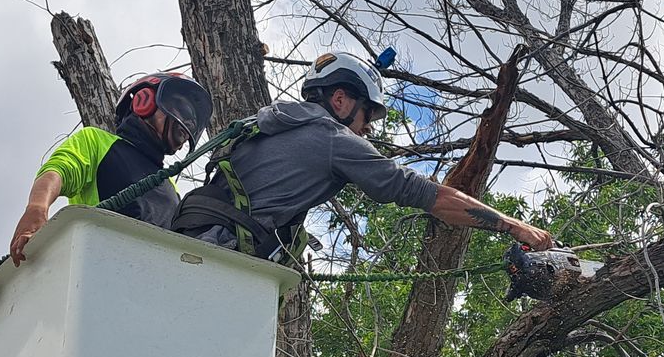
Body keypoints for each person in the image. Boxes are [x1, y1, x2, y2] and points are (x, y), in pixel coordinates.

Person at [171, 52, 555, 260]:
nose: (368, 128)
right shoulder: (330, 137)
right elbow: (426, 194)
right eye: (367, 115)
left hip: (187, 239)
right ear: (340, 99)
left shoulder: (271, 123)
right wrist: (512, 226)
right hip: (216, 258)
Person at [9, 72, 213, 264]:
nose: (187, 125)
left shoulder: (169, 186)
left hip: (157, 277)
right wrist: (37, 208)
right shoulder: (97, 142)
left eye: (193, 123)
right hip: (104, 265)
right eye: (184, 111)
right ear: (144, 101)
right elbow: (57, 171)